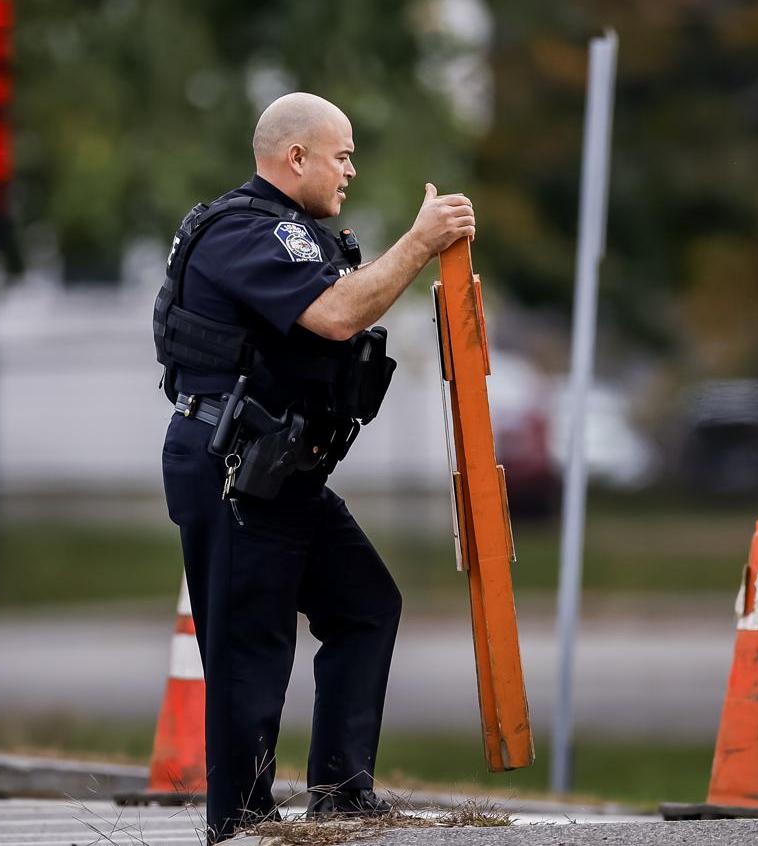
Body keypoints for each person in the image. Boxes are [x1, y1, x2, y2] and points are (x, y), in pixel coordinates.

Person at [153, 91, 476, 842]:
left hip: (282, 468)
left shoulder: (290, 232)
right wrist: (418, 242)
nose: (351, 171)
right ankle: (242, 825)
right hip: (234, 466)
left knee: (366, 606)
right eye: (342, 155)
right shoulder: (245, 232)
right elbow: (335, 314)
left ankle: (339, 796)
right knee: (250, 649)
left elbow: (336, 312)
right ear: (295, 157)